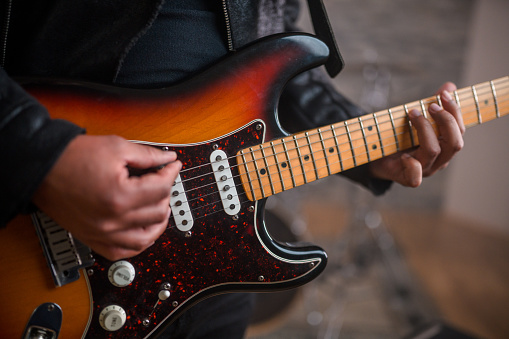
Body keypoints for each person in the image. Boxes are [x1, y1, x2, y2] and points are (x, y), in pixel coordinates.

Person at [0, 0, 464, 338]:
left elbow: (273, 49)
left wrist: (369, 144)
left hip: (217, 265)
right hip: (34, 228)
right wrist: (43, 156)